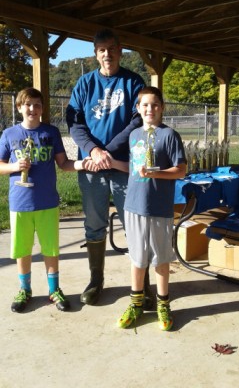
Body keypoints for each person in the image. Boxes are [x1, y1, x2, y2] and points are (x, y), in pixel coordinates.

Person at [66, 28, 147, 306]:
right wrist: (94, 151)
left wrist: (109, 152)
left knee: (133, 224)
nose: (107, 54)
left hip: (124, 165)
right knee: (94, 223)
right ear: (95, 54)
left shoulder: (133, 82)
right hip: (92, 167)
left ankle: (142, 285)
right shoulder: (85, 83)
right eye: (101, 49)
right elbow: (75, 123)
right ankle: (96, 280)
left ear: (120, 50)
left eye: (111, 48)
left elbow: (137, 122)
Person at [0, 87, 97, 313]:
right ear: (19, 108)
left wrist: (83, 163)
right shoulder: (9, 134)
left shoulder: (50, 132)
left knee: (51, 249)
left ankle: (54, 290)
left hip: (47, 202)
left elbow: (63, 164)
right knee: (23, 249)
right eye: (28, 105)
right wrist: (15, 167)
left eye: (37, 105)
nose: (32, 109)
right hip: (20, 203)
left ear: (42, 109)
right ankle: (25, 289)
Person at [116, 86, 187, 331]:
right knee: (137, 258)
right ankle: (136, 304)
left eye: (155, 104)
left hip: (158, 208)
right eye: (145, 105)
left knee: (160, 259)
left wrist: (155, 172)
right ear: (138, 108)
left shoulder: (170, 136)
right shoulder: (134, 135)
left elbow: (181, 170)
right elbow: (134, 167)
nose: (150, 109)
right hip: (134, 206)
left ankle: (163, 304)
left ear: (162, 107)